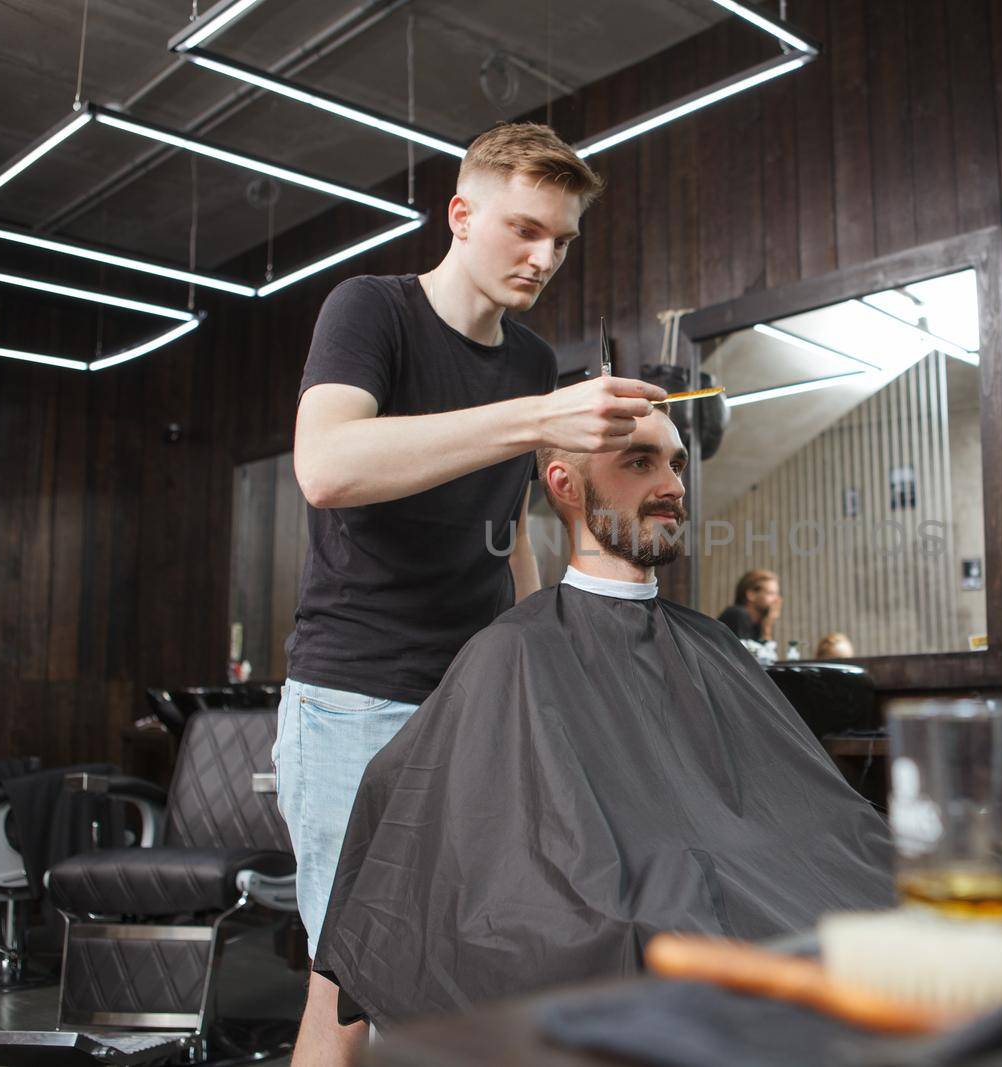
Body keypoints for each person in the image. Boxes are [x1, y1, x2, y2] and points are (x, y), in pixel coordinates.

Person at [277, 122, 668, 1065]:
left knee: (445, 980)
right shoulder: (371, 310)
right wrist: (539, 416)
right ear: (461, 214)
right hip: (353, 698)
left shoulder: (531, 360)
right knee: (358, 985)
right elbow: (326, 466)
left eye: (563, 240)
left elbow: (511, 534)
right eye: (525, 229)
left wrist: (547, 649)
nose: (544, 258)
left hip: (472, 705)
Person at [313, 409, 894, 1028]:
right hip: (641, 930)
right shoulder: (515, 652)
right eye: (640, 462)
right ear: (564, 485)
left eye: (677, 464)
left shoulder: (715, 647)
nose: (672, 486)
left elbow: (817, 820)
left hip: (778, 900)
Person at [717, 569, 781, 643]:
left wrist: (767, 627)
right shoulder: (738, 614)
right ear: (751, 595)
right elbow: (743, 653)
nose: (777, 599)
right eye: (771, 593)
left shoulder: (760, 622)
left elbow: (765, 653)